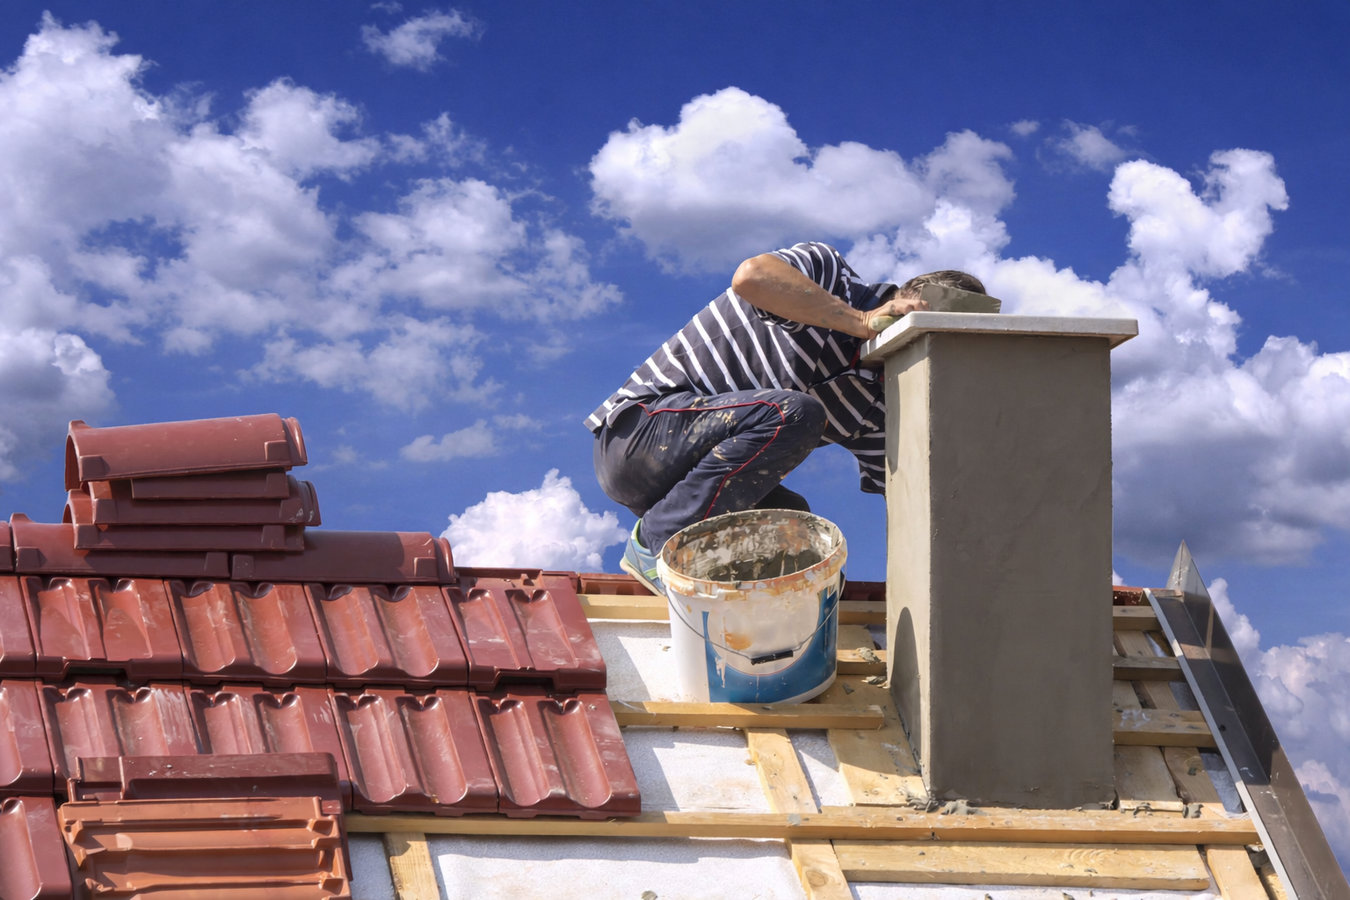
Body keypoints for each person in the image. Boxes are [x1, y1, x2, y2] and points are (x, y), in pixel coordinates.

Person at [586, 241, 985, 594]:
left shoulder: (880, 406)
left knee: (803, 553)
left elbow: (910, 506)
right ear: (904, 302)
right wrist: (860, 323)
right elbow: (752, 277)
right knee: (795, 413)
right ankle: (657, 544)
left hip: (691, 486)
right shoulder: (830, 277)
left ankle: (714, 588)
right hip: (638, 436)